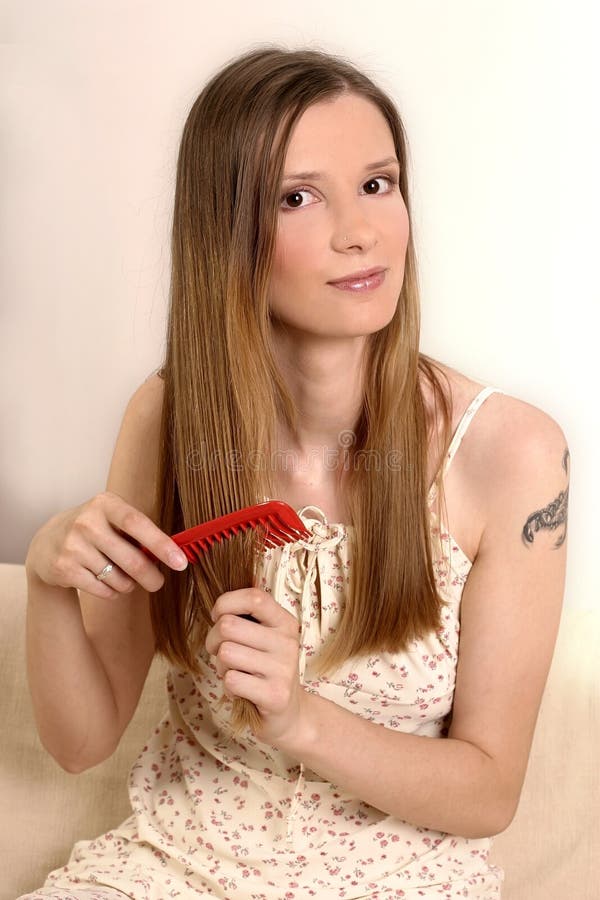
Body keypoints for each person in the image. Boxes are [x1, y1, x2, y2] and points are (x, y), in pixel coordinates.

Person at [19, 45, 569, 900]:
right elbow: (81, 742)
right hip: (173, 866)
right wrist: (51, 579)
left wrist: (301, 720)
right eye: (299, 197)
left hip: (398, 880)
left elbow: (490, 791)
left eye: (378, 184)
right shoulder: (167, 420)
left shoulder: (511, 454)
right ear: (227, 231)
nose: (360, 230)